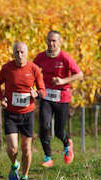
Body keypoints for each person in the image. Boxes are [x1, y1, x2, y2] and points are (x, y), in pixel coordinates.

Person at [0, 42, 45, 180]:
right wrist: (1, 98)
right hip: (11, 113)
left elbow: (43, 90)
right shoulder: (7, 68)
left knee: (26, 149)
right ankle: (14, 164)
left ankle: (25, 177)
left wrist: (37, 94)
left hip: (27, 114)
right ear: (13, 53)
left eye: (22, 52)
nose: (19, 55)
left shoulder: (34, 69)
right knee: (13, 148)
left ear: (27, 53)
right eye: (17, 52)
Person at [33, 30, 83, 167]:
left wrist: (63, 81)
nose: (51, 43)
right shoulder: (41, 57)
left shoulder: (65, 57)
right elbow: (31, 71)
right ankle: (48, 157)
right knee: (43, 126)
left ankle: (67, 143)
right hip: (46, 97)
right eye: (49, 40)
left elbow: (79, 74)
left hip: (62, 97)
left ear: (60, 42)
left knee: (59, 130)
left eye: (54, 41)